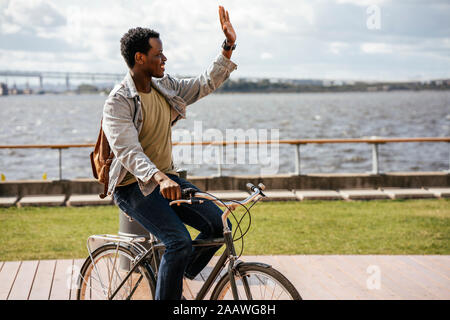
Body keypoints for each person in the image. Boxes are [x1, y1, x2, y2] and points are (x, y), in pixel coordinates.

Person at [102, 6, 237, 300]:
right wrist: (159, 178)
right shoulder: (119, 102)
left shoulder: (165, 87)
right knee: (178, 242)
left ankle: (178, 270)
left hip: (168, 181)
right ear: (140, 58)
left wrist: (227, 47)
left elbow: (203, 84)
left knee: (219, 222)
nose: (165, 58)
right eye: (158, 54)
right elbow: (129, 151)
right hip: (133, 187)